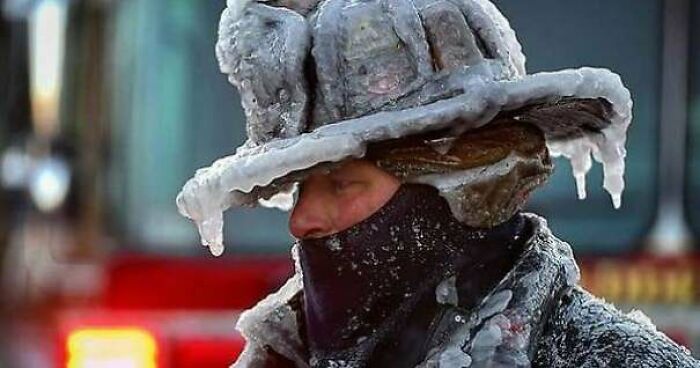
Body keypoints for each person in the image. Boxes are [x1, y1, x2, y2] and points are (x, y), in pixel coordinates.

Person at [176, 0, 700, 366]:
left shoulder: (610, 361)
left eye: (340, 185)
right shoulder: (283, 356)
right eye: (299, 186)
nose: (301, 219)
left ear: (457, 190)